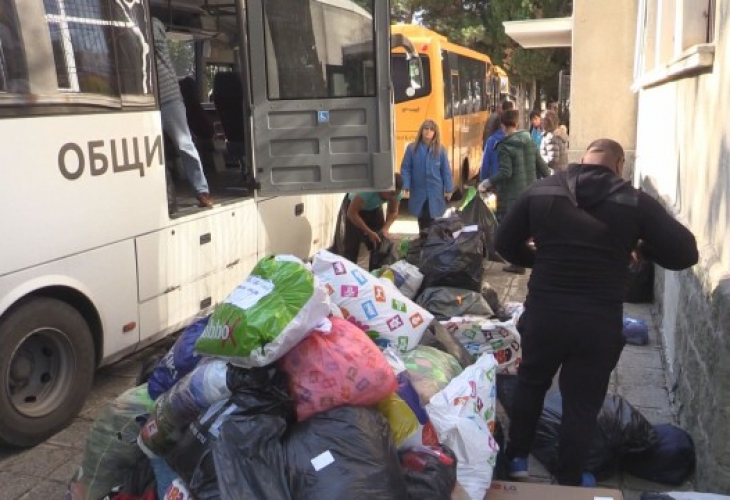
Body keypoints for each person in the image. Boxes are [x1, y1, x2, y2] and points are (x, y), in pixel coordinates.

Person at [494, 139, 698, 487]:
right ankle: (569, 478)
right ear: (619, 165)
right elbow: (685, 253)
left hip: (545, 313)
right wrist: (642, 247)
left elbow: (503, 243)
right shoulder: (635, 201)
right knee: (582, 402)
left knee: (531, 382)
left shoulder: (540, 191)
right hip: (597, 321)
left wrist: (539, 259)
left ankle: (516, 459)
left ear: (583, 160)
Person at [152, 18, 213, 208]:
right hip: (146, 99)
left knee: (184, 143)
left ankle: (201, 191)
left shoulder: (152, 23)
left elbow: (145, 45)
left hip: (168, 97)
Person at [479, 109, 550, 274]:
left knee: (511, 230)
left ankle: (517, 264)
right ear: (517, 123)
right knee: (527, 228)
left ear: (502, 126)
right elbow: (542, 167)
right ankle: (537, 261)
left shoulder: (504, 146)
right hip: (530, 192)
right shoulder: (529, 140)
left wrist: (487, 182)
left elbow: (506, 172)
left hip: (511, 195)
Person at [401, 119, 454, 231]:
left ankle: (431, 244)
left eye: (431, 129)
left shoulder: (441, 150)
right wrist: (405, 185)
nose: (428, 131)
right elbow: (406, 168)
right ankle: (423, 242)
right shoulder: (412, 148)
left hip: (435, 192)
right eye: (426, 128)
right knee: (422, 220)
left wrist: (449, 189)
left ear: (435, 132)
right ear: (421, 130)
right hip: (419, 191)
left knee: (434, 220)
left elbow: (446, 171)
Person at [342, 174, 403, 270]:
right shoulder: (368, 190)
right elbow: (352, 213)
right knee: (352, 246)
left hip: (374, 208)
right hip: (354, 209)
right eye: (390, 193)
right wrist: (368, 232)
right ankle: (347, 276)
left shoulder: (395, 193)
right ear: (382, 187)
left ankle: (374, 275)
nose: (392, 197)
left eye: (395, 194)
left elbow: (393, 212)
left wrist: (385, 229)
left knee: (379, 242)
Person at [480, 110, 506, 181]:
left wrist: (484, 181)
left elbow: (485, 165)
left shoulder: (492, 140)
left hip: (494, 181)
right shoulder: (517, 139)